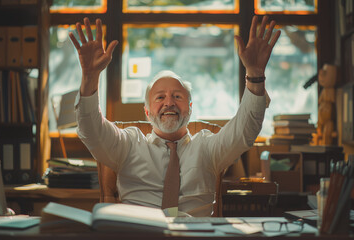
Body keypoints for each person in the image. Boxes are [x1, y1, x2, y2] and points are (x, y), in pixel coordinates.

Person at [70, 16, 281, 217]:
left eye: (177, 96)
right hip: (141, 234)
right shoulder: (128, 144)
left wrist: (254, 75)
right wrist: (90, 78)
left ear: (189, 107)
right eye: (160, 97)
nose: (169, 102)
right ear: (147, 111)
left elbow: (245, 131)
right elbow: (91, 131)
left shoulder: (208, 148)